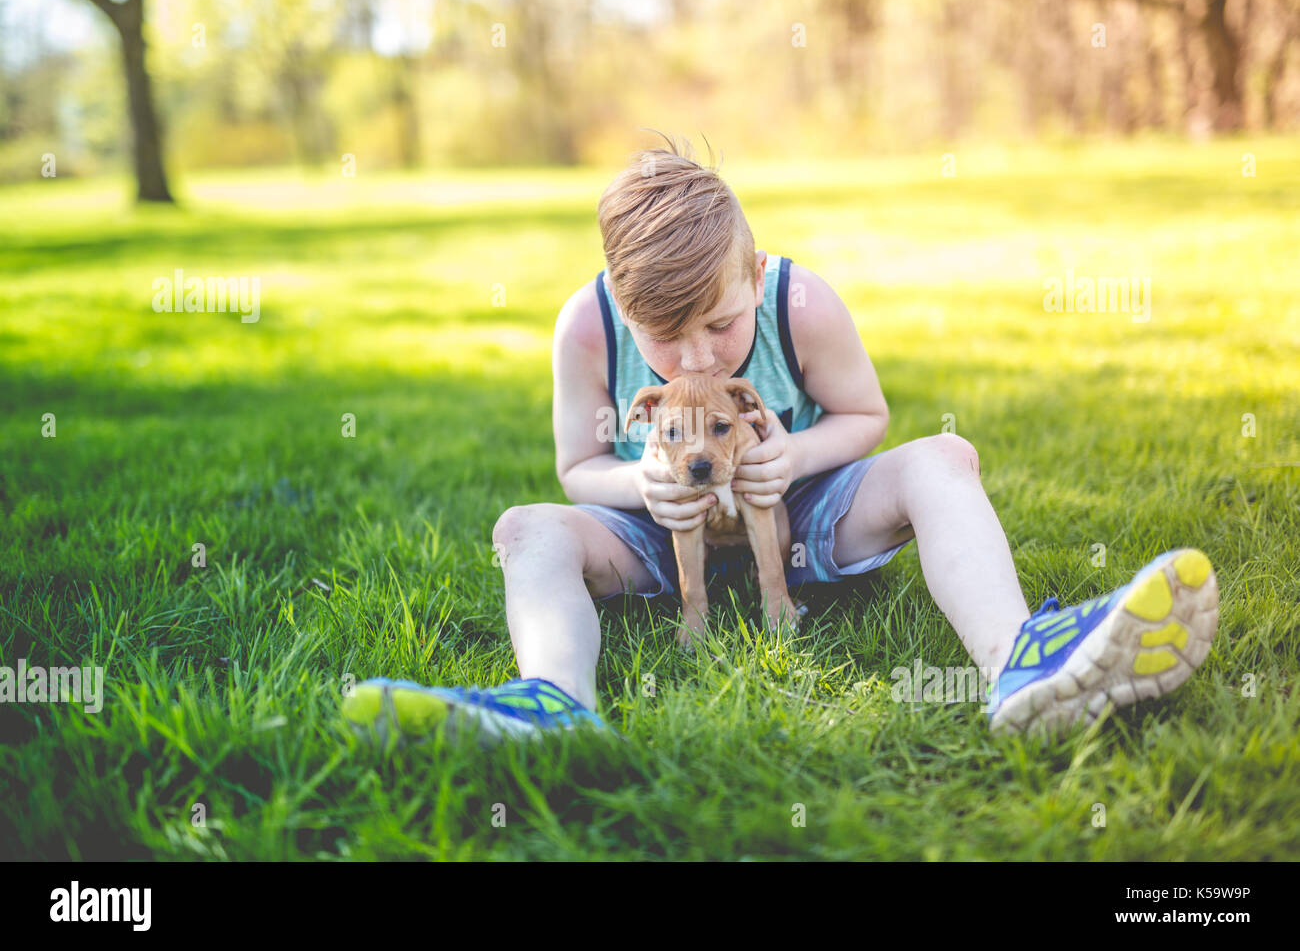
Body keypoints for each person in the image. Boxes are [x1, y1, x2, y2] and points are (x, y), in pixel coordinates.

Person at [342, 133, 1218, 743]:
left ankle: (1018, 660)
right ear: (617, 297)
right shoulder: (583, 327)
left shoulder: (802, 303)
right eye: (663, 340)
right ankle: (554, 703)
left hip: (800, 512)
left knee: (944, 459)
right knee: (523, 528)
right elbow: (576, 467)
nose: (696, 355)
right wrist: (639, 486)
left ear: (754, 277)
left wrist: (793, 456)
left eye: (721, 327)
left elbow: (868, 418)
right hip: (657, 533)